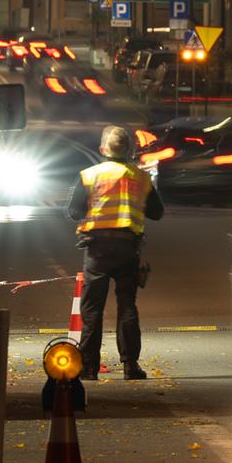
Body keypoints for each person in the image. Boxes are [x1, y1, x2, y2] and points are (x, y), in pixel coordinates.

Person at [64, 125, 164, 380]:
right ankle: (131, 366)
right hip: (128, 249)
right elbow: (157, 212)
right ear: (129, 150)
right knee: (127, 306)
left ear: (102, 149)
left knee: (92, 309)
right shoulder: (140, 178)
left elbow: (73, 212)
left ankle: (88, 367)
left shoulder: (89, 175)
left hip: (96, 251)